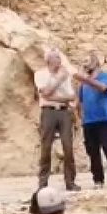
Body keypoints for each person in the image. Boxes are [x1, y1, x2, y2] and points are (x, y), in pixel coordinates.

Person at [76, 51, 107, 189]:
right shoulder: (83, 83)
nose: (84, 63)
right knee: (93, 153)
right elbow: (80, 101)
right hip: (88, 122)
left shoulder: (105, 77)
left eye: (87, 60)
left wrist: (86, 79)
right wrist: (79, 116)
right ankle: (98, 181)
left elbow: (102, 88)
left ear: (95, 62)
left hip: (103, 120)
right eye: (83, 61)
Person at [34, 48, 80, 191]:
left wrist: (53, 95)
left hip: (64, 112)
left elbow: (71, 96)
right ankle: (43, 183)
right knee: (46, 146)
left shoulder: (65, 75)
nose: (59, 61)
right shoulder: (40, 74)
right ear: (48, 60)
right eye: (56, 58)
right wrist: (59, 79)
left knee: (68, 147)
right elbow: (45, 93)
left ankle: (70, 182)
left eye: (59, 58)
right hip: (48, 112)